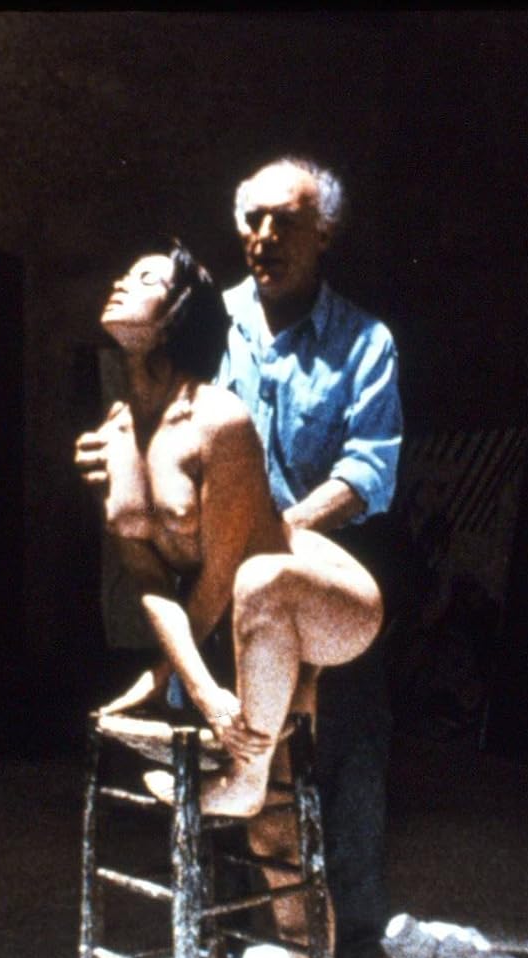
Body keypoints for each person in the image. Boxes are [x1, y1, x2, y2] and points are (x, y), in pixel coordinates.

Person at [85, 238, 384, 823]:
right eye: (125, 273)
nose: (121, 283)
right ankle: (254, 794)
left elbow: (222, 576)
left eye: (146, 280)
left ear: (173, 319)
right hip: (243, 619)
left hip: (327, 598)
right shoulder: (111, 437)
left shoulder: (218, 419)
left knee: (257, 579)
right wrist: (172, 678)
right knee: (271, 836)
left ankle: (246, 781)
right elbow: (149, 582)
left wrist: (180, 680)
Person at [218, 156, 424, 958]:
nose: (265, 237)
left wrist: (280, 535)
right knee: (229, 755)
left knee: (351, 755)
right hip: (222, 584)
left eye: (287, 222)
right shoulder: (209, 325)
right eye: (253, 219)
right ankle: (224, 942)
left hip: (324, 576)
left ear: (324, 234)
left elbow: (370, 469)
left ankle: (358, 944)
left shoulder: (365, 342)